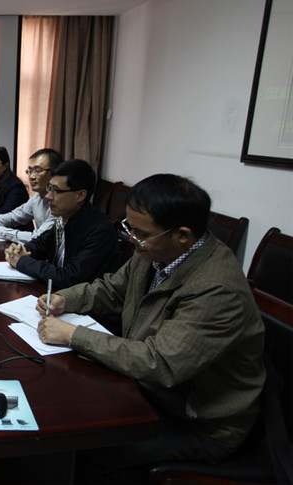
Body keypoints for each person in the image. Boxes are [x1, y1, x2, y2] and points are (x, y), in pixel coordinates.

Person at [34, 174, 265, 482]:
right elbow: (114, 289)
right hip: (149, 391)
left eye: (140, 233)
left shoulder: (216, 289)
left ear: (182, 235)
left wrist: (74, 335)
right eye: (128, 227)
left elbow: (161, 362)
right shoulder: (156, 250)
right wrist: (66, 299)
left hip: (197, 423)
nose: (132, 239)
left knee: (87, 445)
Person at [4, 159, 119, 288]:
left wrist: (22, 261)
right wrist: (20, 250)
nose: (49, 196)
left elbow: (69, 277)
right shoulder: (64, 219)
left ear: (80, 195)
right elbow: (41, 244)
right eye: (50, 188)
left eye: (57, 191)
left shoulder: (99, 231)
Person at [0, 148, 62, 243]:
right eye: (30, 171)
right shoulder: (37, 199)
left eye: (38, 170)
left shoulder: (61, 203)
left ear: (55, 173)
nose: (32, 177)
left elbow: (38, 238)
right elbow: (14, 216)